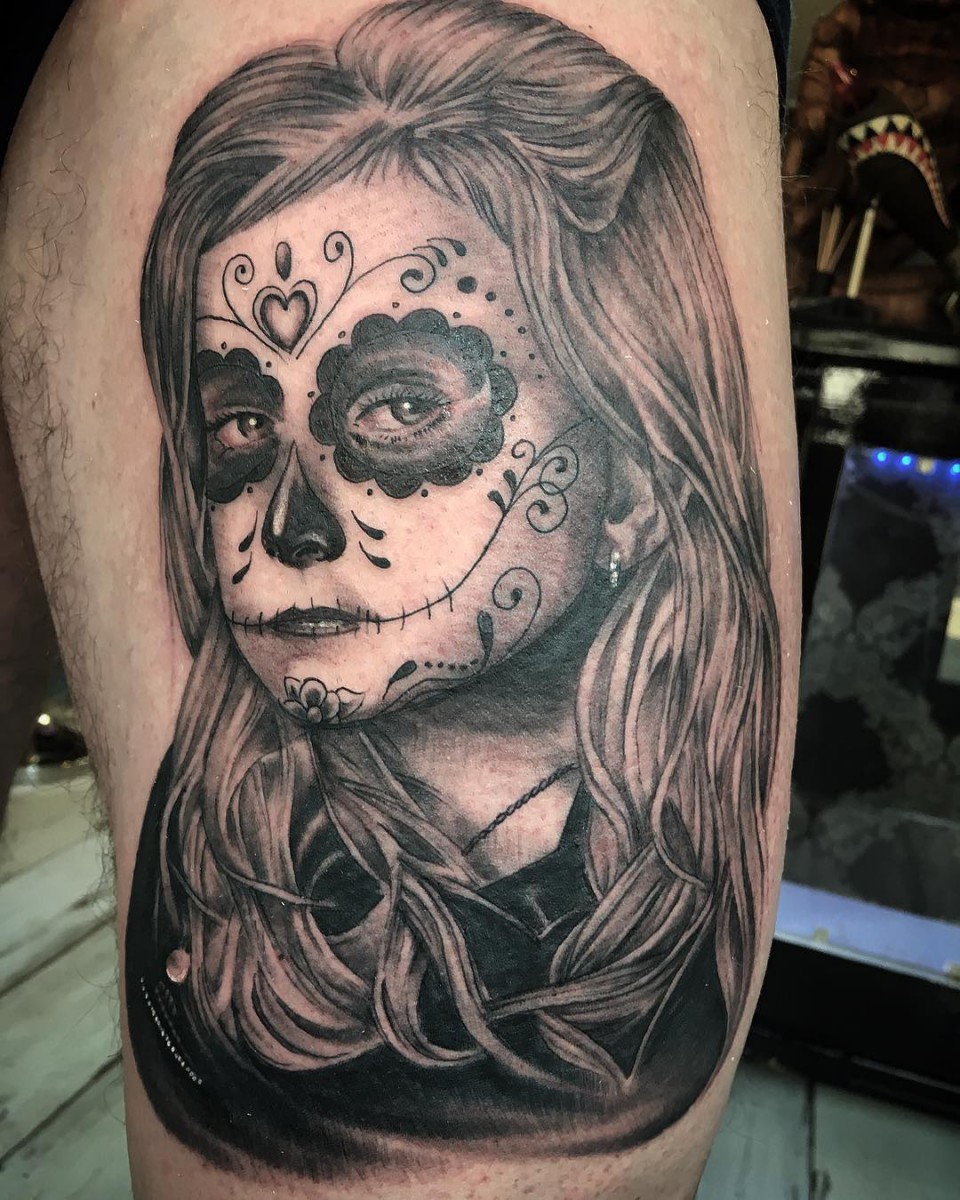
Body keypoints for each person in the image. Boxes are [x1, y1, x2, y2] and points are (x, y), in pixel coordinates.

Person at [0, 0, 798, 1196]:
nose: (290, 524)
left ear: (636, 469)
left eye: (403, 406)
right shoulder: (240, 895)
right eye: (241, 423)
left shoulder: (646, 902)